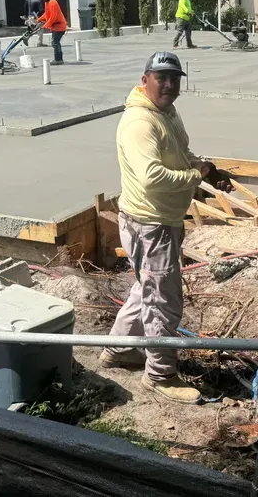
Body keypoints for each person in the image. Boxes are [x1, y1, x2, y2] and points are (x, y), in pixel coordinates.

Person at [100, 51, 229, 404]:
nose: (170, 85)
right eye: (162, 78)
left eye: (175, 78)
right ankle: (160, 375)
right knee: (163, 300)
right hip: (150, 223)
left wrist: (205, 168)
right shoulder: (140, 123)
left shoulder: (165, 112)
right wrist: (194, 176)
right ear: (145, 80)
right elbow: (151, 175)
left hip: (162, 218)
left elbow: (180, 151)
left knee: (147, 290)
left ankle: (119, 350)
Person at [36, 0, 67, 65]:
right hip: (55, 26)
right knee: (55, 42)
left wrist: (46, 25)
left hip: (59, 25)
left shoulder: (53, 2)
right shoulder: (47, 2)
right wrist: (39, 19)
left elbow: (54, 16)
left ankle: (58, 59)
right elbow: (47, 13)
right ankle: (59, 59)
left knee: (55, 42)